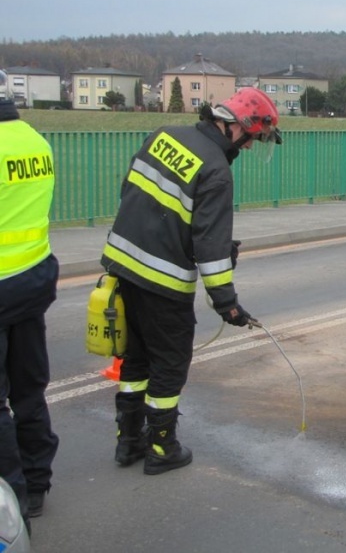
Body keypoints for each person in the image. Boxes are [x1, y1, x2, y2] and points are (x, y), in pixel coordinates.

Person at [100, 87, 282, 475]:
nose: (250, 148)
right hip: (162, 281)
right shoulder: (216, 170)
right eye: (252, 139)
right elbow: (211, 248)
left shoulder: (164, 134)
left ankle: (127, 442)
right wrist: (227, 304)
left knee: (134, 358)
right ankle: (162, 449)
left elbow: (133, 192)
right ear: (239, 127)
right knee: (169, 363)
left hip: (121, 265)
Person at [0, 70, 60, 523]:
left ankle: (12, 498)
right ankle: (37, 481)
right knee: (29, 387)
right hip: (33, 279)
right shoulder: (35, 142)